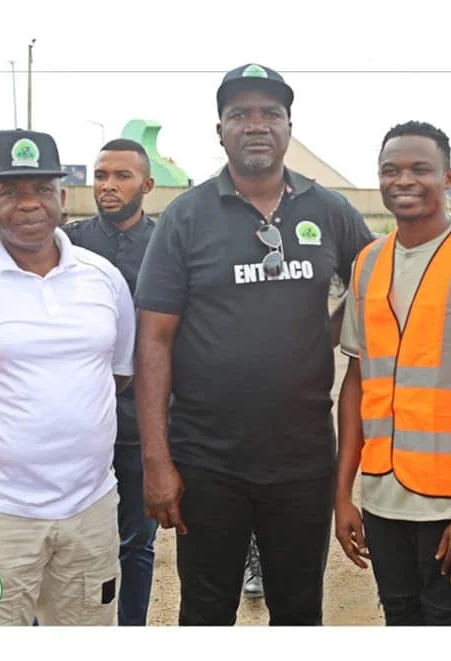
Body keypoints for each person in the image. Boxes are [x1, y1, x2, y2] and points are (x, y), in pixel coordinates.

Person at [133, 63, 376, 626]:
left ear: (290, 127)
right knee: (206, 611)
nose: (257, 124)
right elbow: (153, 341)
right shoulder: (186, 217)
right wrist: (156, 460)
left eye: (271, 113)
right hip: (207, 460)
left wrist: (327, 331)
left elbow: (375, 284)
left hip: (302, 459)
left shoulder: (329, 210)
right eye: (240, 114)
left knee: (298, 610)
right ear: (220, 130)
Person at [0, 129, 135, 626]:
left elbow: (117, 376)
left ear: (63, 198)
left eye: (42, 189)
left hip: (90, 514)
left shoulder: (104, 279)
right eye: (11, 191)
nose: (29, 204)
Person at [334, 121, 451, 626]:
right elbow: (356, 382)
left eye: (420, 169)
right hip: (382, 498)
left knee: (449, 623)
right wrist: (343, 493)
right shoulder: (368, 262)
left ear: (448, 177)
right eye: (390, 170)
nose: (404, 180)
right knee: (400, 619)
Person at [62, 138, 158, 626]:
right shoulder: (67, 243)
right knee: (64, 536)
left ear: (147, 184)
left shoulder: (168, 244)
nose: (108, 185)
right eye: (101, 175)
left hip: (142, 423)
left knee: (136, 542)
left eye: (122, 176)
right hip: (77, 423)